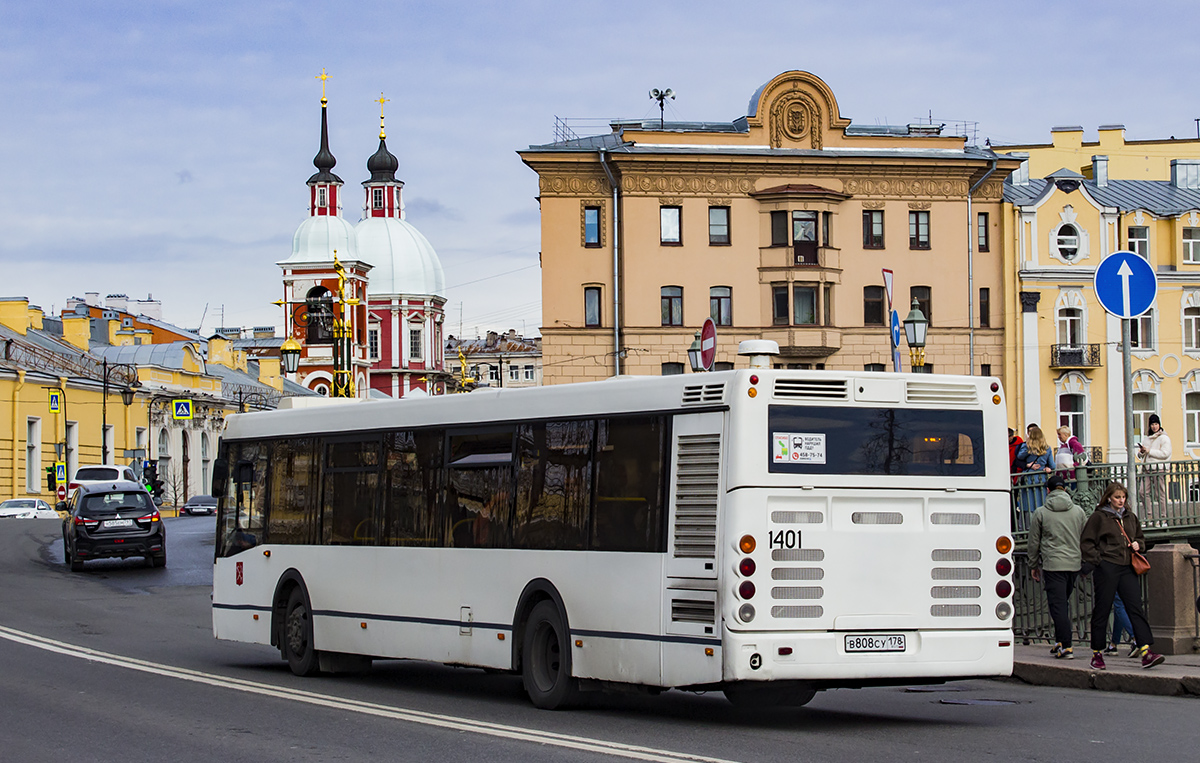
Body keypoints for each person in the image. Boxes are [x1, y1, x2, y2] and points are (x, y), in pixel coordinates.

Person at [1080, 481, 1165, 670]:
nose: (1121, 501)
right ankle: (1097, 654)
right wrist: (1099, 560)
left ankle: (1146, 651)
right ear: (1109, 497)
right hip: (1107, 567)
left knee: (1135, 607)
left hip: (1127, 566)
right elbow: (1086, 542)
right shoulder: (1099, 517)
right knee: (1102, 609)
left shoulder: (1130, 517)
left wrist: (1138, 545)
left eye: (1123, 497)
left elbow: (1141, 539)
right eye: (1117, 497)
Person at [1028, 475, 1087, 659]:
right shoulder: (1078, 511)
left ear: (1048, 491)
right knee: (1064, 603)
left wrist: (1033, 564)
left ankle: (1067, 646)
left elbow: (1033, 542)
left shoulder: (1041, 513)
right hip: (1074, 564)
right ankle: (1060, 641)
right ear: (1066, 490)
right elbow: (1085, 537)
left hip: (1053, 565)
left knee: (1058, 606)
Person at [1137, 413, 1172, 523]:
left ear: (1159, 425)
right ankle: (1149, 516)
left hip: (1159, 468)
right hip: (1147, 468)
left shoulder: (1164, 438)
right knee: (1142, 492)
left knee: (1159, 494)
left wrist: (1149, 451)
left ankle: (1163, 518)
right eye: (1152, 424)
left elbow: (1165, 453)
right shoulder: (1147, 439)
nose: (1154, 426)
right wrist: (1142, 452)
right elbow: (1141, 455)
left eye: (1156, 424)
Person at [1014, 425, 1053, 515]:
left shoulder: (1027, 447)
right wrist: (1047, 468)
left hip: (1029, 478)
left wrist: (1028, 445)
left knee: (1028, 505)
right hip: (1042, 478)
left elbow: (1019, 456)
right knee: (1041, 503)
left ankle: (1027, 525)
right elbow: (1052, 465)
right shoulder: (1047, 448)